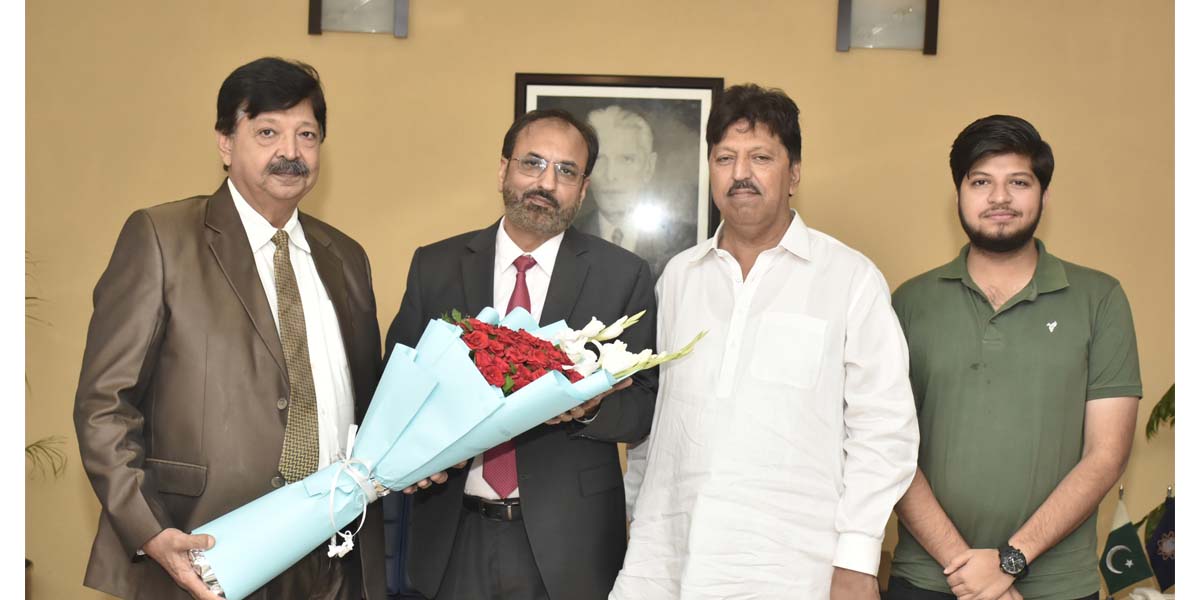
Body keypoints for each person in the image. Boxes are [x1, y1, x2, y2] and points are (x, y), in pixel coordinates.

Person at [72, 57, 432, 600]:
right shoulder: (163, 238)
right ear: (225, 143)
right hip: (202, 551)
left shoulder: (346, 258)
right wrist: (149, 529)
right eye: (267, 132)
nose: (290, 152)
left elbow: (366, 402)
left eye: (306, 135)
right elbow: (105, 405)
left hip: (333, 556)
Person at [610, 84, 919, 599]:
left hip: (796, 569)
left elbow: (884, 430)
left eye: (761, 157)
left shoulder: (848, 278)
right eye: (725, 157)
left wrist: (858, 559)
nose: (740, 174)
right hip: (665, 561)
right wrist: (632, 521)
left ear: (794, 173)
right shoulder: (677, 279)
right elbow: (654, 424)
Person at [386, 108, 659, 600]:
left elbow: (642, 409)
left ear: (583, 188)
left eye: (566, 171)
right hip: (452, 533)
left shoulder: (623, 276)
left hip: (570, 545)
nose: (545, 183)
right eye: (532, 163)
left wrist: (592, 407)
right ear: (503, 170)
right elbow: (397, 387)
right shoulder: (437, 265)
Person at [887, 115, 1141, 600]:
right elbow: (889, 446)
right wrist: (966, 569)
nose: (999, 198)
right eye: (981, 181)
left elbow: (1107, 454)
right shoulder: (909, 302)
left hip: (1058, 586)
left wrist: (1010, 560)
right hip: (928, 580)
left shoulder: (1100, 299)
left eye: (1018, 182)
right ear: (958, 194)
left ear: (1043, 195)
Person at [576, 105, 695, 278]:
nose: (611, 175)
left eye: (626, 159)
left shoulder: (686, 242)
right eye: (600, 160)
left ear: (648, 167)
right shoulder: (567, 237)